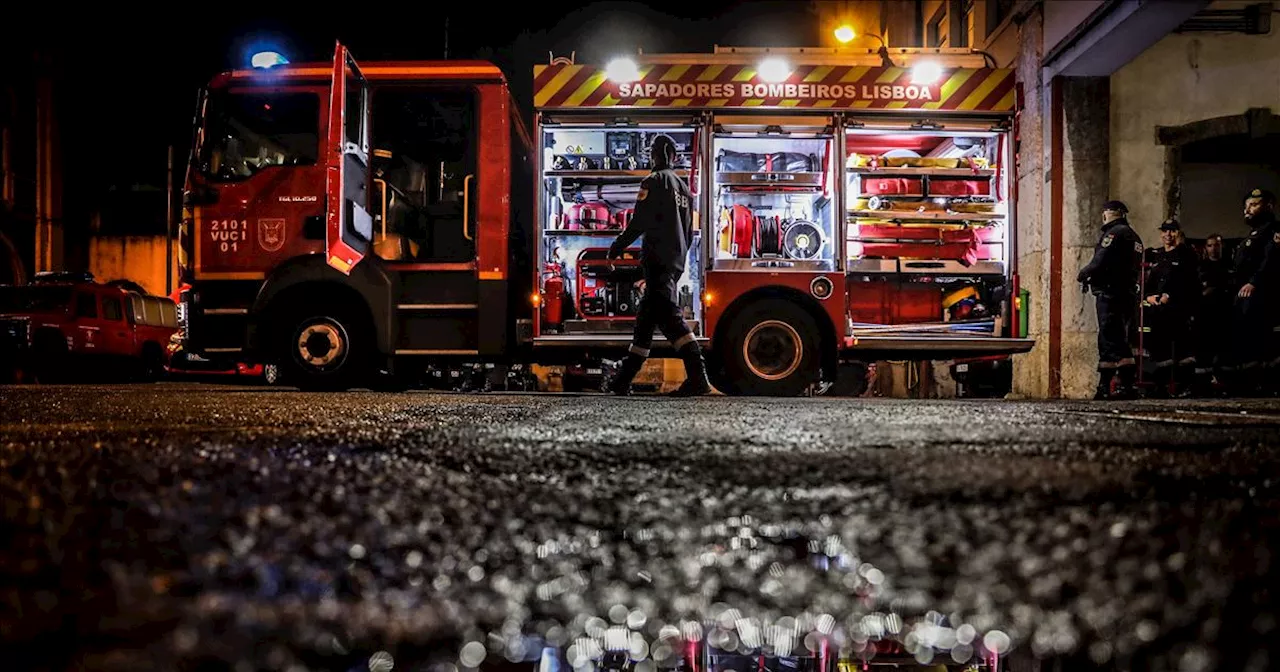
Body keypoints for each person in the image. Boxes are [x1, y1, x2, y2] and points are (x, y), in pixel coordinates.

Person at [606, 134, 712, 396]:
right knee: (645, 323)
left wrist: (617, 247)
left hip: (657, 262)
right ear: (674, 156)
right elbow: (689, 232)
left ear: (655, 154)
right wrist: (679, 259)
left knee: (672, 320)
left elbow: (639, 222)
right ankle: (621, 382)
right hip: (674, 262)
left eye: (653, 152)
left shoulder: (652, 181)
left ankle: (698, 377)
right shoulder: (685, 190)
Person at [1077, 200, 1144, 400]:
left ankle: (1118, 386)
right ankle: (1114, 385)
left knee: (1110, 338)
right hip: (1126, 293)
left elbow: (1101, 260)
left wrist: (1084, 273)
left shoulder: (1114, 233)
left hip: (1111, 293)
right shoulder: (1134, 236)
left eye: (1105, 212)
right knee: (1117, 336)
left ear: (1110, 213)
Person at [1224, 188, 1279, 395]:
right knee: (1243, 338)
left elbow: (1271, 260)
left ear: (1269, 206)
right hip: (1243, 293)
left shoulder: (1273, 231)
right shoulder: (1254, 233)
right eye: (1246, 206)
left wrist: (1254, 282)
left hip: (1263, 293)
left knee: (1260, 339)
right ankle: (1246, 381)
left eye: (1254, 205)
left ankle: (1265, 384)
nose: (1247, 210)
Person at [1141, 219, 1199, 396]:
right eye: (1165, 231)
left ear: (1178, 233)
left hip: (1179, 309)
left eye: (1172, 231)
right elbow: (1150, 284)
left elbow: (1190, 283)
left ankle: (1186, 386)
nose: (1168, 235)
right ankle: (1161, 386)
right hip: (1159, 311)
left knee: (1184, 350)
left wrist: (1171, 295)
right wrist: (1147, 297)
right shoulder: (1158, 257)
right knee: (1159, 349)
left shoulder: (1186, 255)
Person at [1191, 233, 1231, 396]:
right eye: (1210, 245)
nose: (1213, 249)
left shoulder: (1229, 266)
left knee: (1224, 352)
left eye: (1217, 245)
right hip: (1205, 316)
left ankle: (1224, 384)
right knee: (1203, 352)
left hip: (1225, 315)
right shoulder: (1200, 268)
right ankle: (1203, 386)